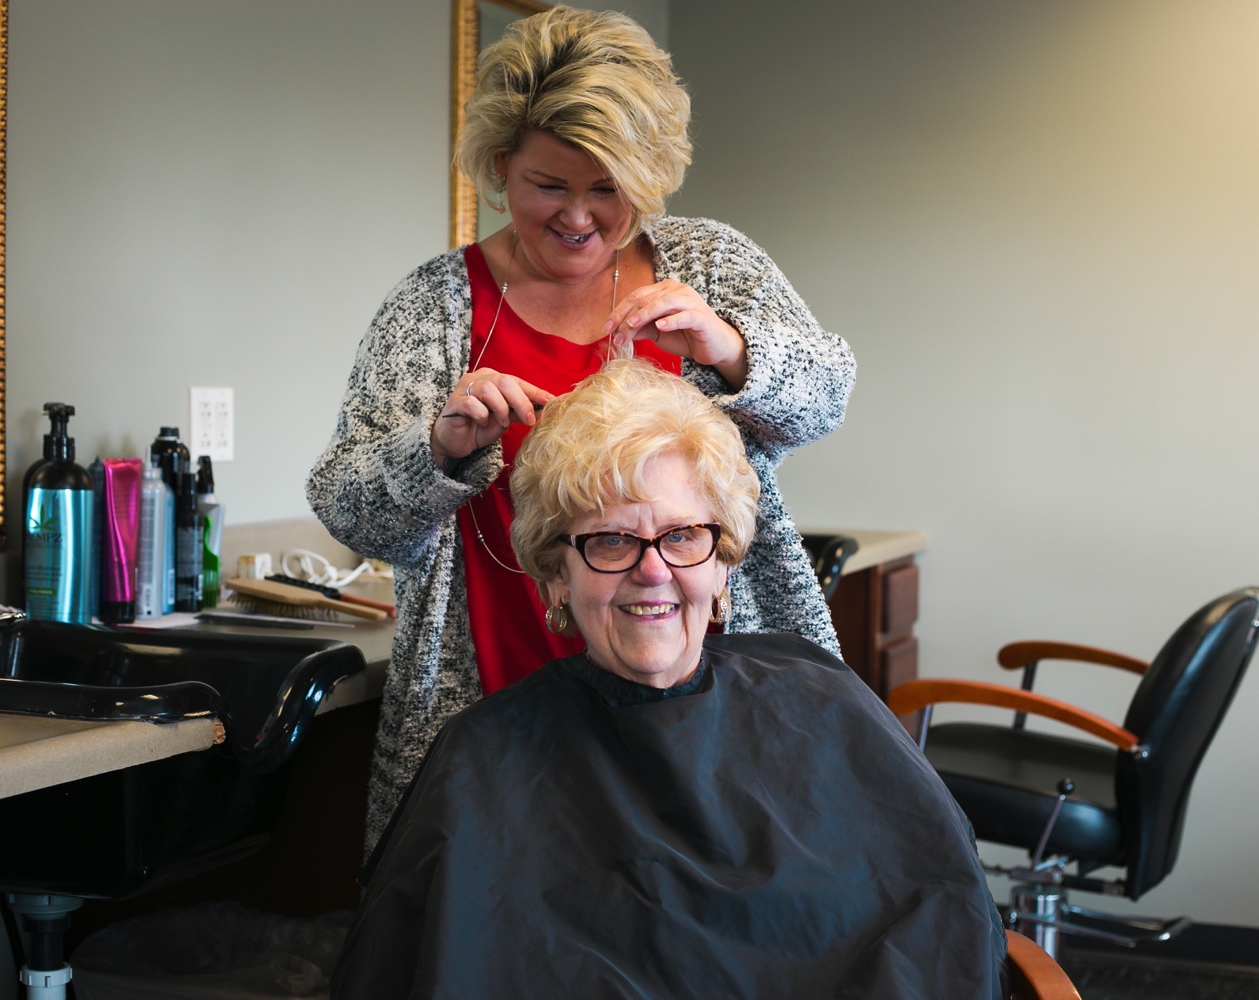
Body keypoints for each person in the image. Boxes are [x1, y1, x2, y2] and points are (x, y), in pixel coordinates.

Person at [306, 5, 856, 849]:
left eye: (609, 190)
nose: (580, 218)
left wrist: (734, 350)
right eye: (549, 186)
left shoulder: (707, 264)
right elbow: (350, 511)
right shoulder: (432, 309)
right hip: (496, 706)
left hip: (701, 705)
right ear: (498, 167)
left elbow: (825, 400)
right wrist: (439, 450)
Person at [330, 362, 1006, 999]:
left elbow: (939, 918)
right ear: (557, 577)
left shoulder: (821, 699)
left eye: (683, 536)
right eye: (612, 540)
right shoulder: (480, 758)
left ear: (722, 567)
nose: (653, 571)